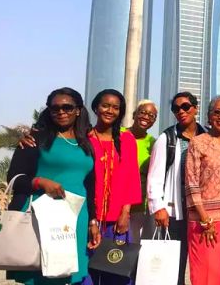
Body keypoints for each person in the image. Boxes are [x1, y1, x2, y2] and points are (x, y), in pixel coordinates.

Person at [7, 87, 101, 285]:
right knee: (42, 276)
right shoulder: (36, 139)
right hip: (42, 216)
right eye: (55, 108)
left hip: (77, 217)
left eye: (67, 107)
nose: (61, 112)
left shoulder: (86, 143)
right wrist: (40, 182)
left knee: (71, 274)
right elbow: (14, 177)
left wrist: (93, 221)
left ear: (78, 110)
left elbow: (90, 186)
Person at [148, 92, 207, 285]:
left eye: (185, 106)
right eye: (176, 108)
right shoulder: (167, 139)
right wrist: (159, 207)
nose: (181, 111)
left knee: (201, 266)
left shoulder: (206, 136)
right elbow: (155, 177)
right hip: (175, 214)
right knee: (173, 268)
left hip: (201, 214)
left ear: (195, 108)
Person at [85, 89, 141, 285]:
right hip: (88, 218)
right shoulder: (84, 138)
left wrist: (125, 212)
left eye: (116, 107)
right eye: (105, 105)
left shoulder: (127, 140)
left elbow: (132, 178)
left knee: (116, 272)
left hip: (117, 221)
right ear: (96, 107)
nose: (110, 110)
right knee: (87, 274)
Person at [185, 95, 220, 285]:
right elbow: (191, 183)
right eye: (217, 112)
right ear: (209, 116)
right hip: (204, 221)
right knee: (205, 276)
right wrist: (204, 219)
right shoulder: (197, 143)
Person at [126, 99, 158, 243]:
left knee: (134, 248)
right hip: (117, 202)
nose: (146, 117)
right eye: (143, 112)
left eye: (151, 116)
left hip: (140, 205)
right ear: (134, 114)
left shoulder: (154, 143)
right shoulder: (119, 135)